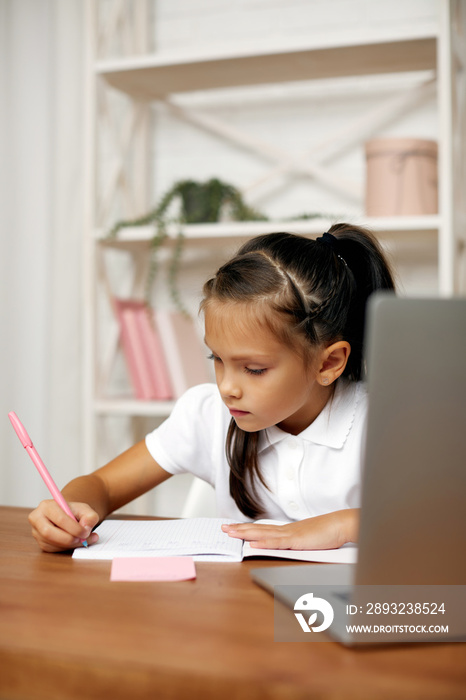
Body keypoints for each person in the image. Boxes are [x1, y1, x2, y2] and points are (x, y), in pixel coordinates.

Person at [29, 223, 396, 553]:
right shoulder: (207, 415)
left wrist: (345, 525)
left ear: (328, 363)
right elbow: (102, 486)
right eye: (217, 360)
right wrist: (69, 510)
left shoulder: (386, 422)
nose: (226, 387)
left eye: (254, 369)